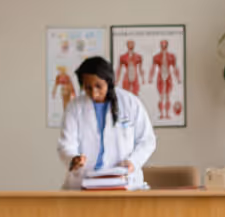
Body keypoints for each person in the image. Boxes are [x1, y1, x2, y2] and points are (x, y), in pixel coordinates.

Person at [57, 56, 156, 190]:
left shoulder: (130, 103)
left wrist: (133, 162)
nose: (94, 93)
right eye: (88, 87)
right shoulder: (74, 107)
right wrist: (74, 159)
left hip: (124, 181)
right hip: (84, 183)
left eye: (99, 86)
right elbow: (66, 144)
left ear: (109, 82)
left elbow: (147, 140)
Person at [148, 39, 181, 121]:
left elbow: (175, 68)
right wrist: (150, 78)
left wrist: (178, 78)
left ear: (167, 46)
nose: (163, 47)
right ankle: (161, 114)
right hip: (160, 76)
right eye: (162, 45)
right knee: (161, 97)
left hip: (168, 76)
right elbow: (153, 68)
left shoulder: (171, 56)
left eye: (165, 45)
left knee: (168, 96)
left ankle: (167, 114)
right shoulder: (156, 57)